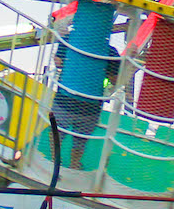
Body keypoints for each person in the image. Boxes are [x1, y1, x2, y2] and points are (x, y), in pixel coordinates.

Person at [51, 38, 122, 170]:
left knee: (58, 133)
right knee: (79, 140)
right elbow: (115, 79)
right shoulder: (111, 52)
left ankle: (57, 163)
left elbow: (58, 62)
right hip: (89, 105)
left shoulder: (69, 40)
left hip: (67, 100)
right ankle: (73, 164)